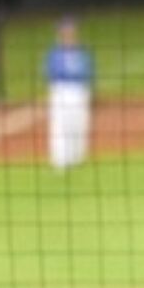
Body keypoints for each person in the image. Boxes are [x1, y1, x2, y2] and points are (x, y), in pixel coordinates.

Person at [44, 17, 94, 172]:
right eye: (66, 31)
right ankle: (60, 160)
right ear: (60, 33)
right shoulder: (55, 53)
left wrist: (89, 89)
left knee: (79, 124)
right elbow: (52, 73)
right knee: (60, 126)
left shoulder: (82, 51)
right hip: (62, 91)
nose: (69, 34)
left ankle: (77, 157)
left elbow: (89, 71)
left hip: (80, 90)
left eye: (72, 31)